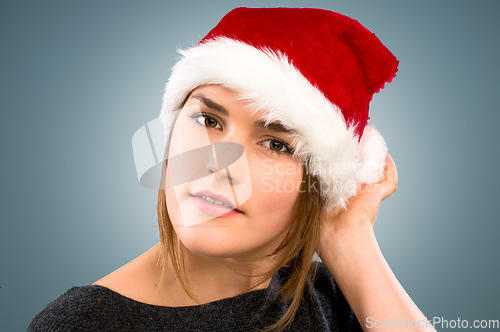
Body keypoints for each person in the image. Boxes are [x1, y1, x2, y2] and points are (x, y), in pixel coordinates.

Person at [28, 7, 436, 331]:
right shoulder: (83, 324)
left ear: (318, 184)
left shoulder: (333, 295)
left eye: (275, 144)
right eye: (208, 121)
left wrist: (351, 240)